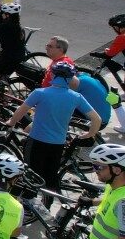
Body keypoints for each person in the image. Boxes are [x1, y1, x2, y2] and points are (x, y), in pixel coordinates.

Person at [7, 61, 101, 206]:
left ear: (51, 75)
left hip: (37, 140)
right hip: (58, 144)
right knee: (50, 175)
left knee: (30, 173)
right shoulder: (76, 97)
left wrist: (11, 123)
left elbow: (21, 111)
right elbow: (96, 119)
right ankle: (47, 205)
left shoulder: (40, 93)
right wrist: (90, 134)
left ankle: (28, 204)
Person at [85, 144, 125, 239]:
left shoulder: (123, 201)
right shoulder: (114, 186)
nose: (94, 170)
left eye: (99, 167)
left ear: (117, 170)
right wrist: (92, 202)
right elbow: (110, 201)